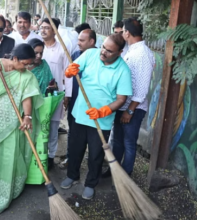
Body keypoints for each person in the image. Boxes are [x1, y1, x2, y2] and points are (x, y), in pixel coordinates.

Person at [0, 43, 43, 215]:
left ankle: (6, 192)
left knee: (10, 155)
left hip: (12, 123)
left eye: (29, 64)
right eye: (24, 63)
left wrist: (27, 116)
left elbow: (28, 97)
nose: (27, 67)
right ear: (14, 58)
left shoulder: (27, 76)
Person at [63, 33, 132, 200]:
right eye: (103, 47)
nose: (103, 52)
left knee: (95, 154)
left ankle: (90, 184)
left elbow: (121, 99)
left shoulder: (123, 70)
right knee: (75, 147)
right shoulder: (90, 54)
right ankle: (72, 175)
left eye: (109, 51)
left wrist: (103, 111)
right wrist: (69, 72)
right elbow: (73, 70)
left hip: (102, 120)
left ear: (119, 52)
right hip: (81, 112)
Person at [106, 18, 155, 177]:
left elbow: (141, 88)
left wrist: (130, 110)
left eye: (123, 31)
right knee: (117, 141)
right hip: (122, 105)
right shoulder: (131, 49)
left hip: (132, 108)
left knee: (128, 143)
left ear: (127, 33)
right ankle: (115, 171)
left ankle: (126, 176)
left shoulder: (142, 54)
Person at [59, 29, 96, 171]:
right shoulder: (75, 55)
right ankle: (71, 160)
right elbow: (68, 78)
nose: (78, 43)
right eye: (78, 40)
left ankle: (92, 166)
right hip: (75, 102)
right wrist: (67, 96)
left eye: (82, 40)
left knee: (92, 138)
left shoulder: (98, 57)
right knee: (73, 134)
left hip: (91, 105)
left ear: (91, 42)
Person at [40, 18, 70, 169]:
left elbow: (68, 74)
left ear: (55, 31)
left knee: (53, 126)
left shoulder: (62, 50)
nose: (43, 30)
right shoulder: (38, 48)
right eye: (42, 27)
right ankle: (38, 154)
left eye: (47, 28)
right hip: (38, 94)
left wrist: (67, 95)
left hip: (55, 95)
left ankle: (51, 156)